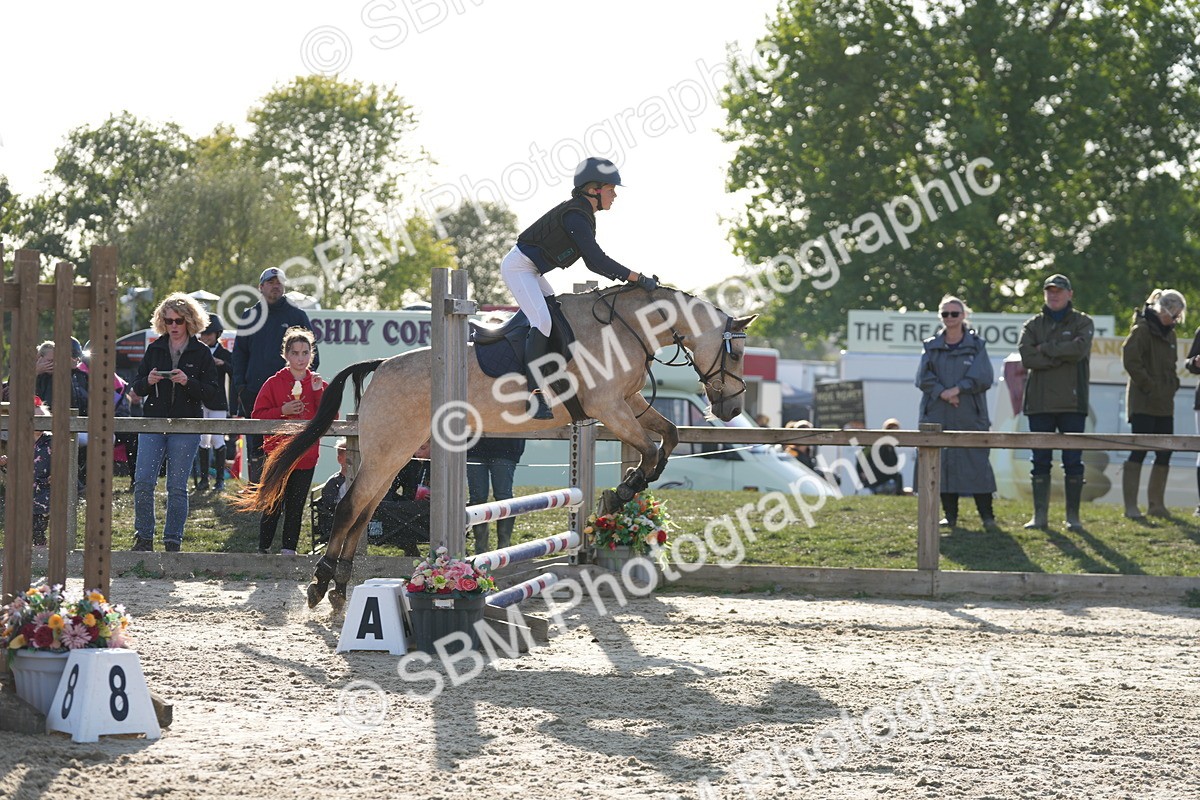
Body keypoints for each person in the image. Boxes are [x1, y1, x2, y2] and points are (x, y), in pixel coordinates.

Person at [502, 156, 658, 420]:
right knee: (542, 321)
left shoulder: (583, 214)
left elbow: (595, 262)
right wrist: (637, 278)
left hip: (532, 270)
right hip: (519, 268)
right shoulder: (576, 216)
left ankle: (553, 374)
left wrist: (635, 278)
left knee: (557, 316)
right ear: (593, 190)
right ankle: (534, 394)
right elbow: (595, 262)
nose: (615, 196)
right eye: (611, 190)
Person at [129, 293, 221, 552]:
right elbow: (136, 386)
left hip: (186, 425)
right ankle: (144, 538)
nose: (173, 325)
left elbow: (212, 392)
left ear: (189, 321)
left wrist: (187, 382)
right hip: (154, 422)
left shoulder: (202, 352)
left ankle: (173, 542)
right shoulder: (155, 348)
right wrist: (148, 381)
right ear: (162, 321)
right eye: (168, 320)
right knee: (143, 482)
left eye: (178, 320)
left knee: (177, 487)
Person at [1018, 273, 1095, 532]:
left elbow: (1079, 350)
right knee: (1039, 460)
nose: (1054, 295)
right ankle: (1039, 516)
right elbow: (1027, 357)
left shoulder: (1083, 322)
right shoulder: (1032, 325)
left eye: (1059, 291)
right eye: (1049, 291)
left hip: (1073, 403)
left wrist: (1046, 349)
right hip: (1039, 404)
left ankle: (1073, 517)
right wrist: (1059, 354)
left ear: (1070, 294)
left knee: (1073, 460)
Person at [916, 295, 999, 530]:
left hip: (970, 416)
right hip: (938, 413)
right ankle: (949, 516)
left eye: (954, 313)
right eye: (945, 314)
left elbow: (984, 377)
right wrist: (943, 393)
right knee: (942, 464)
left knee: (977, 464)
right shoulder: (930, 346)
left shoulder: (977, 346)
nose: (950, 318)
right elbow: (923, 378)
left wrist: (958, 389)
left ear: (964, 316)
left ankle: (987, 517)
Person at [231, 267, 317, 484]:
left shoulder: (297, 316)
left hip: (290, 395)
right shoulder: (249, 316)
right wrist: (240, 387)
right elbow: (239, 355)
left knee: (289, 443)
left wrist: (304, 386)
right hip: (254, 392)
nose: (276, 285)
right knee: (257, 445)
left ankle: (285, 490)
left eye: (279, 281)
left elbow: (313, 356)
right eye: (270, 282)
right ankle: (259, 492)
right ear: (261, 287)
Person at [253, 327, 326, 555]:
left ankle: (288, 551)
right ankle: (263, 549)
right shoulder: (274, 383)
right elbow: (256, 417)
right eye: (295, 353)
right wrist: (281, 410)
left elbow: (330, 418)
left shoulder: (318, 384)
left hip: (307, 455)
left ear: (311, 354)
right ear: (286, 355)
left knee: (296, 505)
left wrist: (316, 393)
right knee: (273, 502)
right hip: (278, 453)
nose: (300, 358)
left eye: (305, 352)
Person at [1122, 289, 1186, 519]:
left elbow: (1171, 366)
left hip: (1164, 404)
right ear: (1164, 309)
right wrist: (1149, 386)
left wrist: (1173, 385)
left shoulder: (1171, 335)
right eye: (1175, 314)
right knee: (1138, 451)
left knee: (1165, 452)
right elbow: (1130, 359)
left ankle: (1156, 505)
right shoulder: (1141, 330)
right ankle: (1131, 507)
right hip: (1143, 402)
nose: (1176, 319)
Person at [467, 436, 527, 553]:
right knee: (478, 498)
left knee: (502, 497)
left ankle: (503, 547)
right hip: (477, 445)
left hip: (504, 446)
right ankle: (481, 548)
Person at [195, 314, 233, 493]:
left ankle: (219, 480)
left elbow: (234, 371)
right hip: (201, 400)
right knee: (203, 440)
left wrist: (223, 364)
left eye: (209, 333)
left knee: (218, 439)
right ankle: (203, 479)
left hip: (218, 402)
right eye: (203, 333)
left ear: (217, 334)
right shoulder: (197, 351)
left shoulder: (224, 353)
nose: (206, 337)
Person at [855, 418, 904, 494]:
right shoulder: (876, 445)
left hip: (887, 479)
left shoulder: (890, 447)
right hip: (876, 481)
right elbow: (861, 457)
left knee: (898, 476)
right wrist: (863, 473)